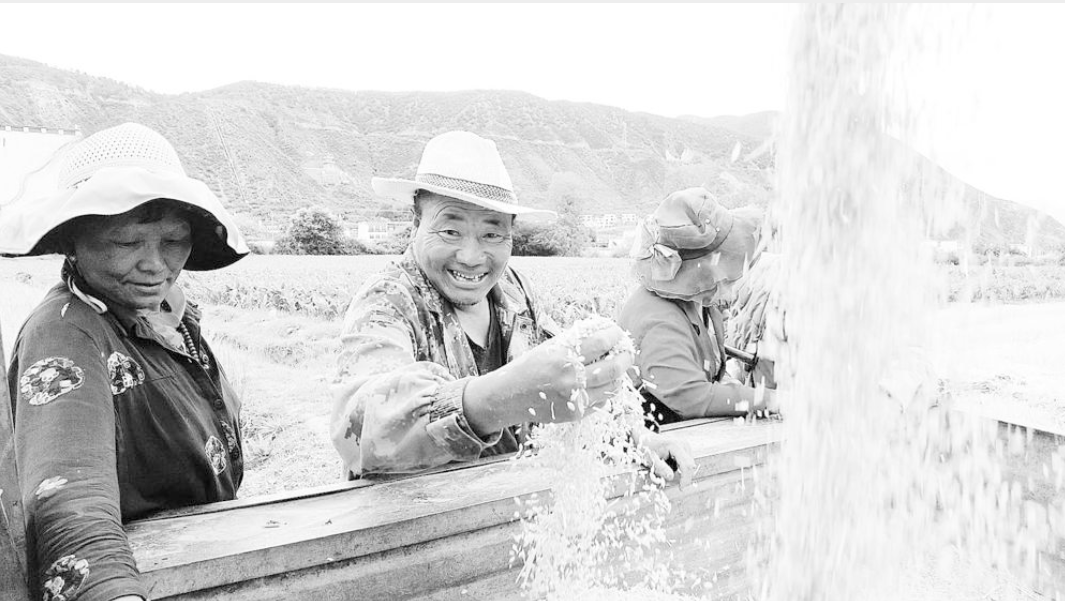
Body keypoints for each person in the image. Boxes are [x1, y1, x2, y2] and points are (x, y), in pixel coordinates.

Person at [330, 131, 693, 483]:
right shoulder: (389, 301)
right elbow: (360, 424)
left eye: (492, 234)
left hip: (506, 503)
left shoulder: (513, 290)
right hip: (419, 516)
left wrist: (632, 438)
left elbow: (571, 380)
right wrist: (504, 396)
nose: (471, 257)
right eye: (450, 231)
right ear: (416, 223)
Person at [0, 123, 249, 601]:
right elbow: (69, 502)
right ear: (72, 241)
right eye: (127, 242)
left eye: (173, 240)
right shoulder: (65, 334)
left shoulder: (166, 315)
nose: (155, 264)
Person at [618, 187, 779, 429]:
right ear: (699, 269)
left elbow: (712, 366)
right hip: (655, 436)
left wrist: (731, 386)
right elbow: (692, 397)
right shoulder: (657, 321)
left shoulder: (697, 300)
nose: (728, 282)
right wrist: (774, 400)